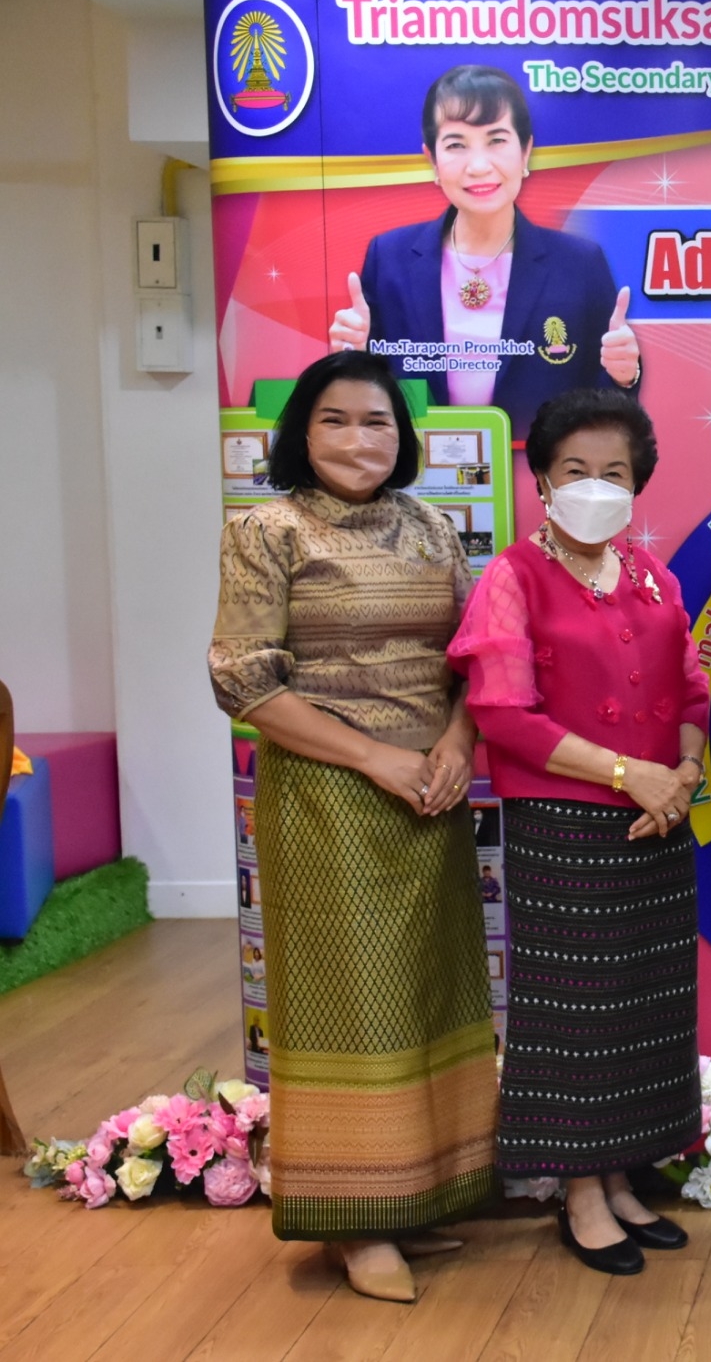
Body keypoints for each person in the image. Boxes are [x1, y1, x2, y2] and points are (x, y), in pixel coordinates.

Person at [207, 350, 497, 1304]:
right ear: (302, 430)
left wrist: (454, 743)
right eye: (334, 419)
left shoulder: (431, 525)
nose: (357, 439)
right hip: (328, 798)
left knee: (429, 992)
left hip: (432, 797)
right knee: (352, 1003)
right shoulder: (267, 530)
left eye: (376, 421)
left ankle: (415, 1198)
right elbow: (244, 680)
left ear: (402, 436)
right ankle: (355, 1222)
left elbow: (473, 656)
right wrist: (377, 758)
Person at [448, 387, 707, 1277]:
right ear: (543, 480)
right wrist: (631, 775)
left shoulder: (651, 574)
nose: (596, 487)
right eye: (576, 470)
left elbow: (692, 689)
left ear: (638, 484)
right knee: (577, 1019)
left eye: (615, 472)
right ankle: (580, 1190)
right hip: (566, 825)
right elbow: (503, 713)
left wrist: (684, 775)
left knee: (643, 1010)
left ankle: (623, 1175)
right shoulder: (512, 577)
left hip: (660, 820)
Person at [330, 65, 639, 440]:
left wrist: (624, 373)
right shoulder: (390, 258)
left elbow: (606, 402)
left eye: (496, 140)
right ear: (432, 160)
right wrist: (351, 356)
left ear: (525, 151)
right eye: (456, 145)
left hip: (535, 469)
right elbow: (369, 396)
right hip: (421, 468)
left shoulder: (579, 264)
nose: (478, 166)